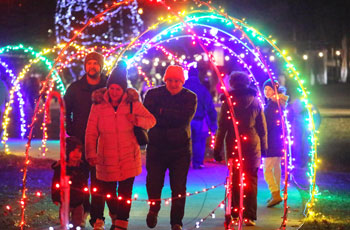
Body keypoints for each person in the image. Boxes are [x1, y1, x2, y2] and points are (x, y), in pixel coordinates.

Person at [64, 51, 139, 227]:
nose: (92, 66)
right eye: (89, 63)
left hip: (106, 143)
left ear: (101, 66)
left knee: (103, 184)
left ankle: (105, 216)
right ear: (85, 66)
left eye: (96, 63)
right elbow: (66, 111)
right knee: (81, 182)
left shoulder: (110, 86)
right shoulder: (75, 88)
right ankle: (84, 216)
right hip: (81, 143)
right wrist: (72, 130)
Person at [85, 60, 156, 230]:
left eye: (118, 89)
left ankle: (121, 224)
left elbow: (152, 120)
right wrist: (90, 153)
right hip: (105, 156)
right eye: (112, 88)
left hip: (128, 156)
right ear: (108, 88)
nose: (115, 92)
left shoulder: (132, 102)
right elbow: (91, 131)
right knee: (110, 193)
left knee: (125, 193)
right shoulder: (98, 105)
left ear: (123, 89)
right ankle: (116, 217)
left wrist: (137, 120)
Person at [143, 65, 197, 230]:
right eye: (170, 80)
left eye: (177, 81)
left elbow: (183, 119)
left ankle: (176, 222)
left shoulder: (189, 97)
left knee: (179, 187)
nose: (173, 84)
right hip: (156, 147)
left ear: (182, 81)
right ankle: (154, 208)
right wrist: (164, 115)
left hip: (180, 149)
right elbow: (148, 116)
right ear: (165, 80)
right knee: (153, 183)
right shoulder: (153, 94)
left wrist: (161, 114)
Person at [214, 71, 267, 226]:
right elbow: (262, 127)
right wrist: (264, 147)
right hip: (252, 144)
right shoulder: (256, 102)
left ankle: (236, 213)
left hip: (234, 144)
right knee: (251, 179)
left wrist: (217, 149)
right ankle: (249, 215)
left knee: (235, 179)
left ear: (232, 83)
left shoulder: (228, 103)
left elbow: (222, 127)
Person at [51, 136, 89, 229]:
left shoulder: (82, 167)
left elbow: (85, 183)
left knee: (77, 222)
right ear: (68, 152)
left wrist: (85, 199)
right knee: (64, 221)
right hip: (65, 201)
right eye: (74, 151)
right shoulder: (62, 168)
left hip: (79, 201)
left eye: (79, 151)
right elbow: (55, 183)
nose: (77, 154)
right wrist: (55, 197)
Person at [183, 66, 217, 169]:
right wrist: (213, 122)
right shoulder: (202, 89)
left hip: (184, 120)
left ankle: (183, 163)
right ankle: (197, 163)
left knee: (183, 142)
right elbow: (210, 106)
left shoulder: (183, 88)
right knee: (198, 142)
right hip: (198, 119)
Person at [262, 79, 289, 207]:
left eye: (269, 89)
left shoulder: (272, 105)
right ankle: (276, 193)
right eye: (265, 89)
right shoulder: (277, 103)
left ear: (275, 90)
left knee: (267, 170)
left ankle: (275, 193)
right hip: (278, 140)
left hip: (271, 141)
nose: (266, 91)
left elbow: (266, 124)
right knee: (276, 168)